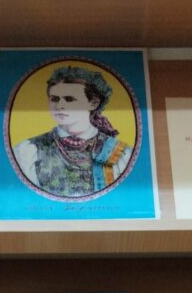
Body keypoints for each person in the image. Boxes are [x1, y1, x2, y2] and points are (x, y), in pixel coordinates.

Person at [12, 64, 133, 198]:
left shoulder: (119, 153)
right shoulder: (29, 150)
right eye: (54, 99)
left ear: (93, 103)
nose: (60, 105)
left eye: (69, 99)